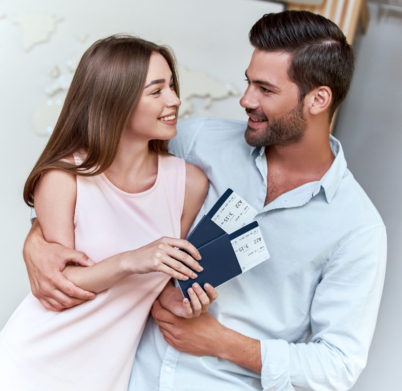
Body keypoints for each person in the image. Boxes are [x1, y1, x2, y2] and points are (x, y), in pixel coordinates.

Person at [22, 11, 387, 391]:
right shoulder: (197, 142)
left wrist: (222, 343)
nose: (246, 99)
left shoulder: (357, 228)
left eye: (266, 89)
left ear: (318, 100)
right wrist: (38, 243)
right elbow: (94, 180)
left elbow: (339, 365)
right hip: (123, 376)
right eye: (249, 83)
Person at [0, 35, 219, 391]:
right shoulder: (63, 177)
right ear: (115, 100)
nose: (175, 100)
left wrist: (179, 302)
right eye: (156, 91)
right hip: (30, 366)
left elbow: (158, 286)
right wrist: (132, 260)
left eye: (173, 87)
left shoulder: (188, 183)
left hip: (106, 377)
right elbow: (60, 286)